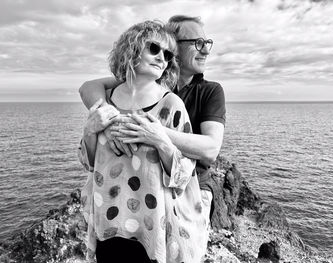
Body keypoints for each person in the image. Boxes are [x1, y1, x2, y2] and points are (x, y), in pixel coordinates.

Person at [80, 14, 226, 255]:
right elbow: (88, 87)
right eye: (197, 43)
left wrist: (154, 133)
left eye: (167, 54)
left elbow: (210, 150)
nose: (205, 50)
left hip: (180, 195)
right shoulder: (126, 86)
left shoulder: (201, 93)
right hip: (116, 212)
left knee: (188, 244)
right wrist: (103, 122)